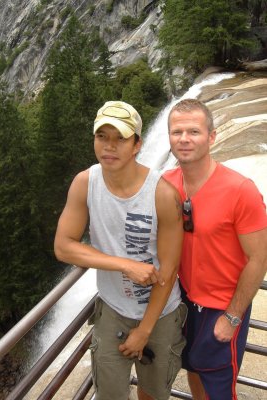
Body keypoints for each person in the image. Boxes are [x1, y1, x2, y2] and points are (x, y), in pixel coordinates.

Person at [54, 100, 187, 400]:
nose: (109, 147)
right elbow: (63, 247)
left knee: (152, 393)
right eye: (102, 137)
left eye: (120, 138)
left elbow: (168, 270)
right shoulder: (85, 183)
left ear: (137, 144)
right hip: (113, 310)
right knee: (110, 394)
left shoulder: (164, 195)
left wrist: (144, 330)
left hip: (161, 314)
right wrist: (124, 264)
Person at [163, 98, 267, 400]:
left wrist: (232, 317)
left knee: (219, 388)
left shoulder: (241, 190)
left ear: (211, 137)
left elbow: (258, 258)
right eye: (176, 132)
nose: (184, 139)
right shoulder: (166, 185)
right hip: (181, 304)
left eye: (193, 131)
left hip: (222, 306)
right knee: (193, 368)